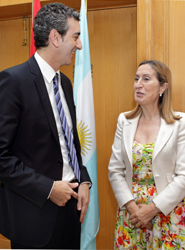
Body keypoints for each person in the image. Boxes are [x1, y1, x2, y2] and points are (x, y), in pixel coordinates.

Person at [0, 2, 92, 249]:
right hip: (34, 218)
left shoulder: (66, 84)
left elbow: (69, 145)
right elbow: (1, 158)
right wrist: (49, 188)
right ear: (55, 37)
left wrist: (83, 180)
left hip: (71, 215)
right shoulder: (13, 82)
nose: (79, 45)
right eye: (75, 37)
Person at [108, 60, 185, 249]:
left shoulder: (180, 123)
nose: (138, 84)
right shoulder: (124, 120)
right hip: (131, 214)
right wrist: (135, 210)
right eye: (136, 78)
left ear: (163, 87)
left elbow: (183, 175)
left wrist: (152, 210)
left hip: (167, 213)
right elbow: (115, 170)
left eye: (146, 79)